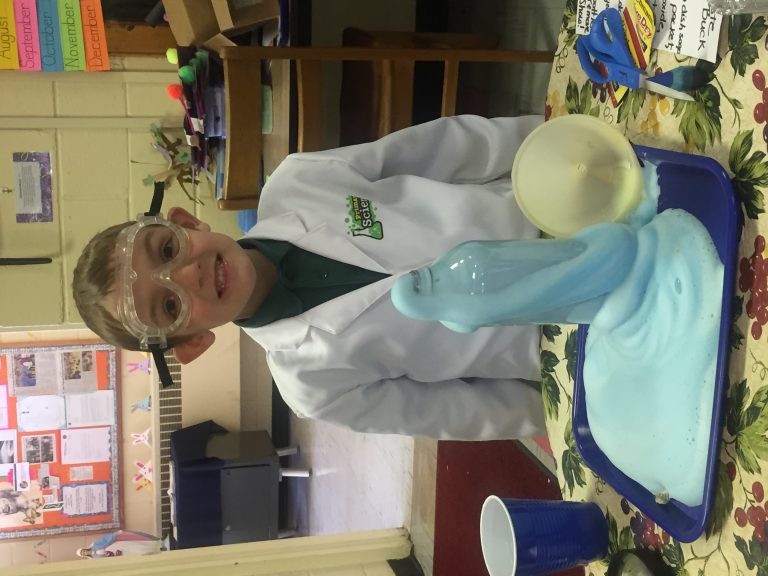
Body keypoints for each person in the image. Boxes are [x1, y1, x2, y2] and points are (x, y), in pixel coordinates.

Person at [73, 115, 546, 440]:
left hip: (545, 206)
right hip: (555, 336)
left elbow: (445, 149)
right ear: (193, 343)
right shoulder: (311, 386)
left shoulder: (298, 183)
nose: (188, 273)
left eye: (168, 250)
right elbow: (463, 415)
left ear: (186, 221)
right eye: (170, 305)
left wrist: (545, 137)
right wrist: (564, 409)